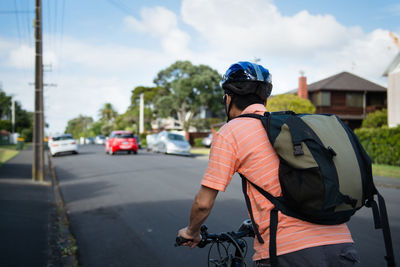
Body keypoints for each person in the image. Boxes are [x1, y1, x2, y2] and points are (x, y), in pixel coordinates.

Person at [177, 61, 359, 266]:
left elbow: (203, 203)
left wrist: (191, 232)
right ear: (264, 98)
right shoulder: (291, 127)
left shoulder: (231, 132)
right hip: (341, 244)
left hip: (287, 251)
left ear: (228, 97)